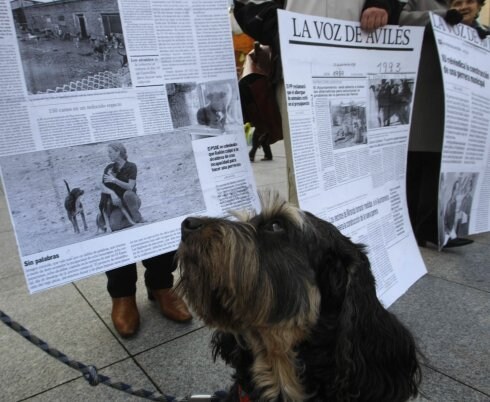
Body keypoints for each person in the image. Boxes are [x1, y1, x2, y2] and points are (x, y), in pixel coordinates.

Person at [235, 0, 403, 205]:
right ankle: (305, 234)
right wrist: (280, 26)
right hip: (298, 68)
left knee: (361, 172)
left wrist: (381, 4)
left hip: (358, 64)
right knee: (306, 174)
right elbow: (248, 6)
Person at [400, 1, 480, 248]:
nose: (464, 6)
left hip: (455, 106)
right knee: (417, 165)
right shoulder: (424, 3)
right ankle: (417, 228)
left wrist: (470, 23)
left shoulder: (478, 29)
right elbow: (401, 17)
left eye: (470, 2)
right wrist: (444, 16)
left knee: (438, 169)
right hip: (422, 99)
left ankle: (434, 228)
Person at [100, 142, 192, 338]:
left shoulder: (131, 166)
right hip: (115, 203)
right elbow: (103, 185)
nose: (108, 153)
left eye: (111, 151)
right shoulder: (108, 168)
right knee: (116, 231)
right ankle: (122, 293)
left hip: (129, 197)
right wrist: (109, 192)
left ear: (119, 152)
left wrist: (113, 182)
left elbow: (129, 186)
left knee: (138, 209)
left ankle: (161, 285)